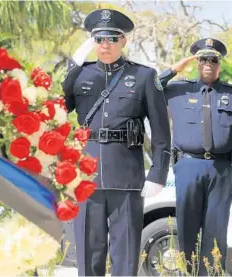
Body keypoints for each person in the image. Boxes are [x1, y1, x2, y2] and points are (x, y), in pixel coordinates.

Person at [61, 9, 171, 276]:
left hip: (127, 177)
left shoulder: (144, 76)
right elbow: (58, 105)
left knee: (126, 253)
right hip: (87, 175)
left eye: (112, 38)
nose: (105, 45)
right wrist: (75, 62)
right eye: (99, 39)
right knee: (89, 252)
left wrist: (158, 174)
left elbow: (160, 131)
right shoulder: (82, 75)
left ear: (123, 41)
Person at [158, 38, 232, 275]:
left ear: (219, 64)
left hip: (220, 170)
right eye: (203, 59)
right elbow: (148, 88)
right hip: (187, 167)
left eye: (213, 60)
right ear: (197, 62)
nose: (208, 64)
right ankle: (188, 273)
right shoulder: (177, 90)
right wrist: (173, 70)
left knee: (216, 232)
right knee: (187, 230)